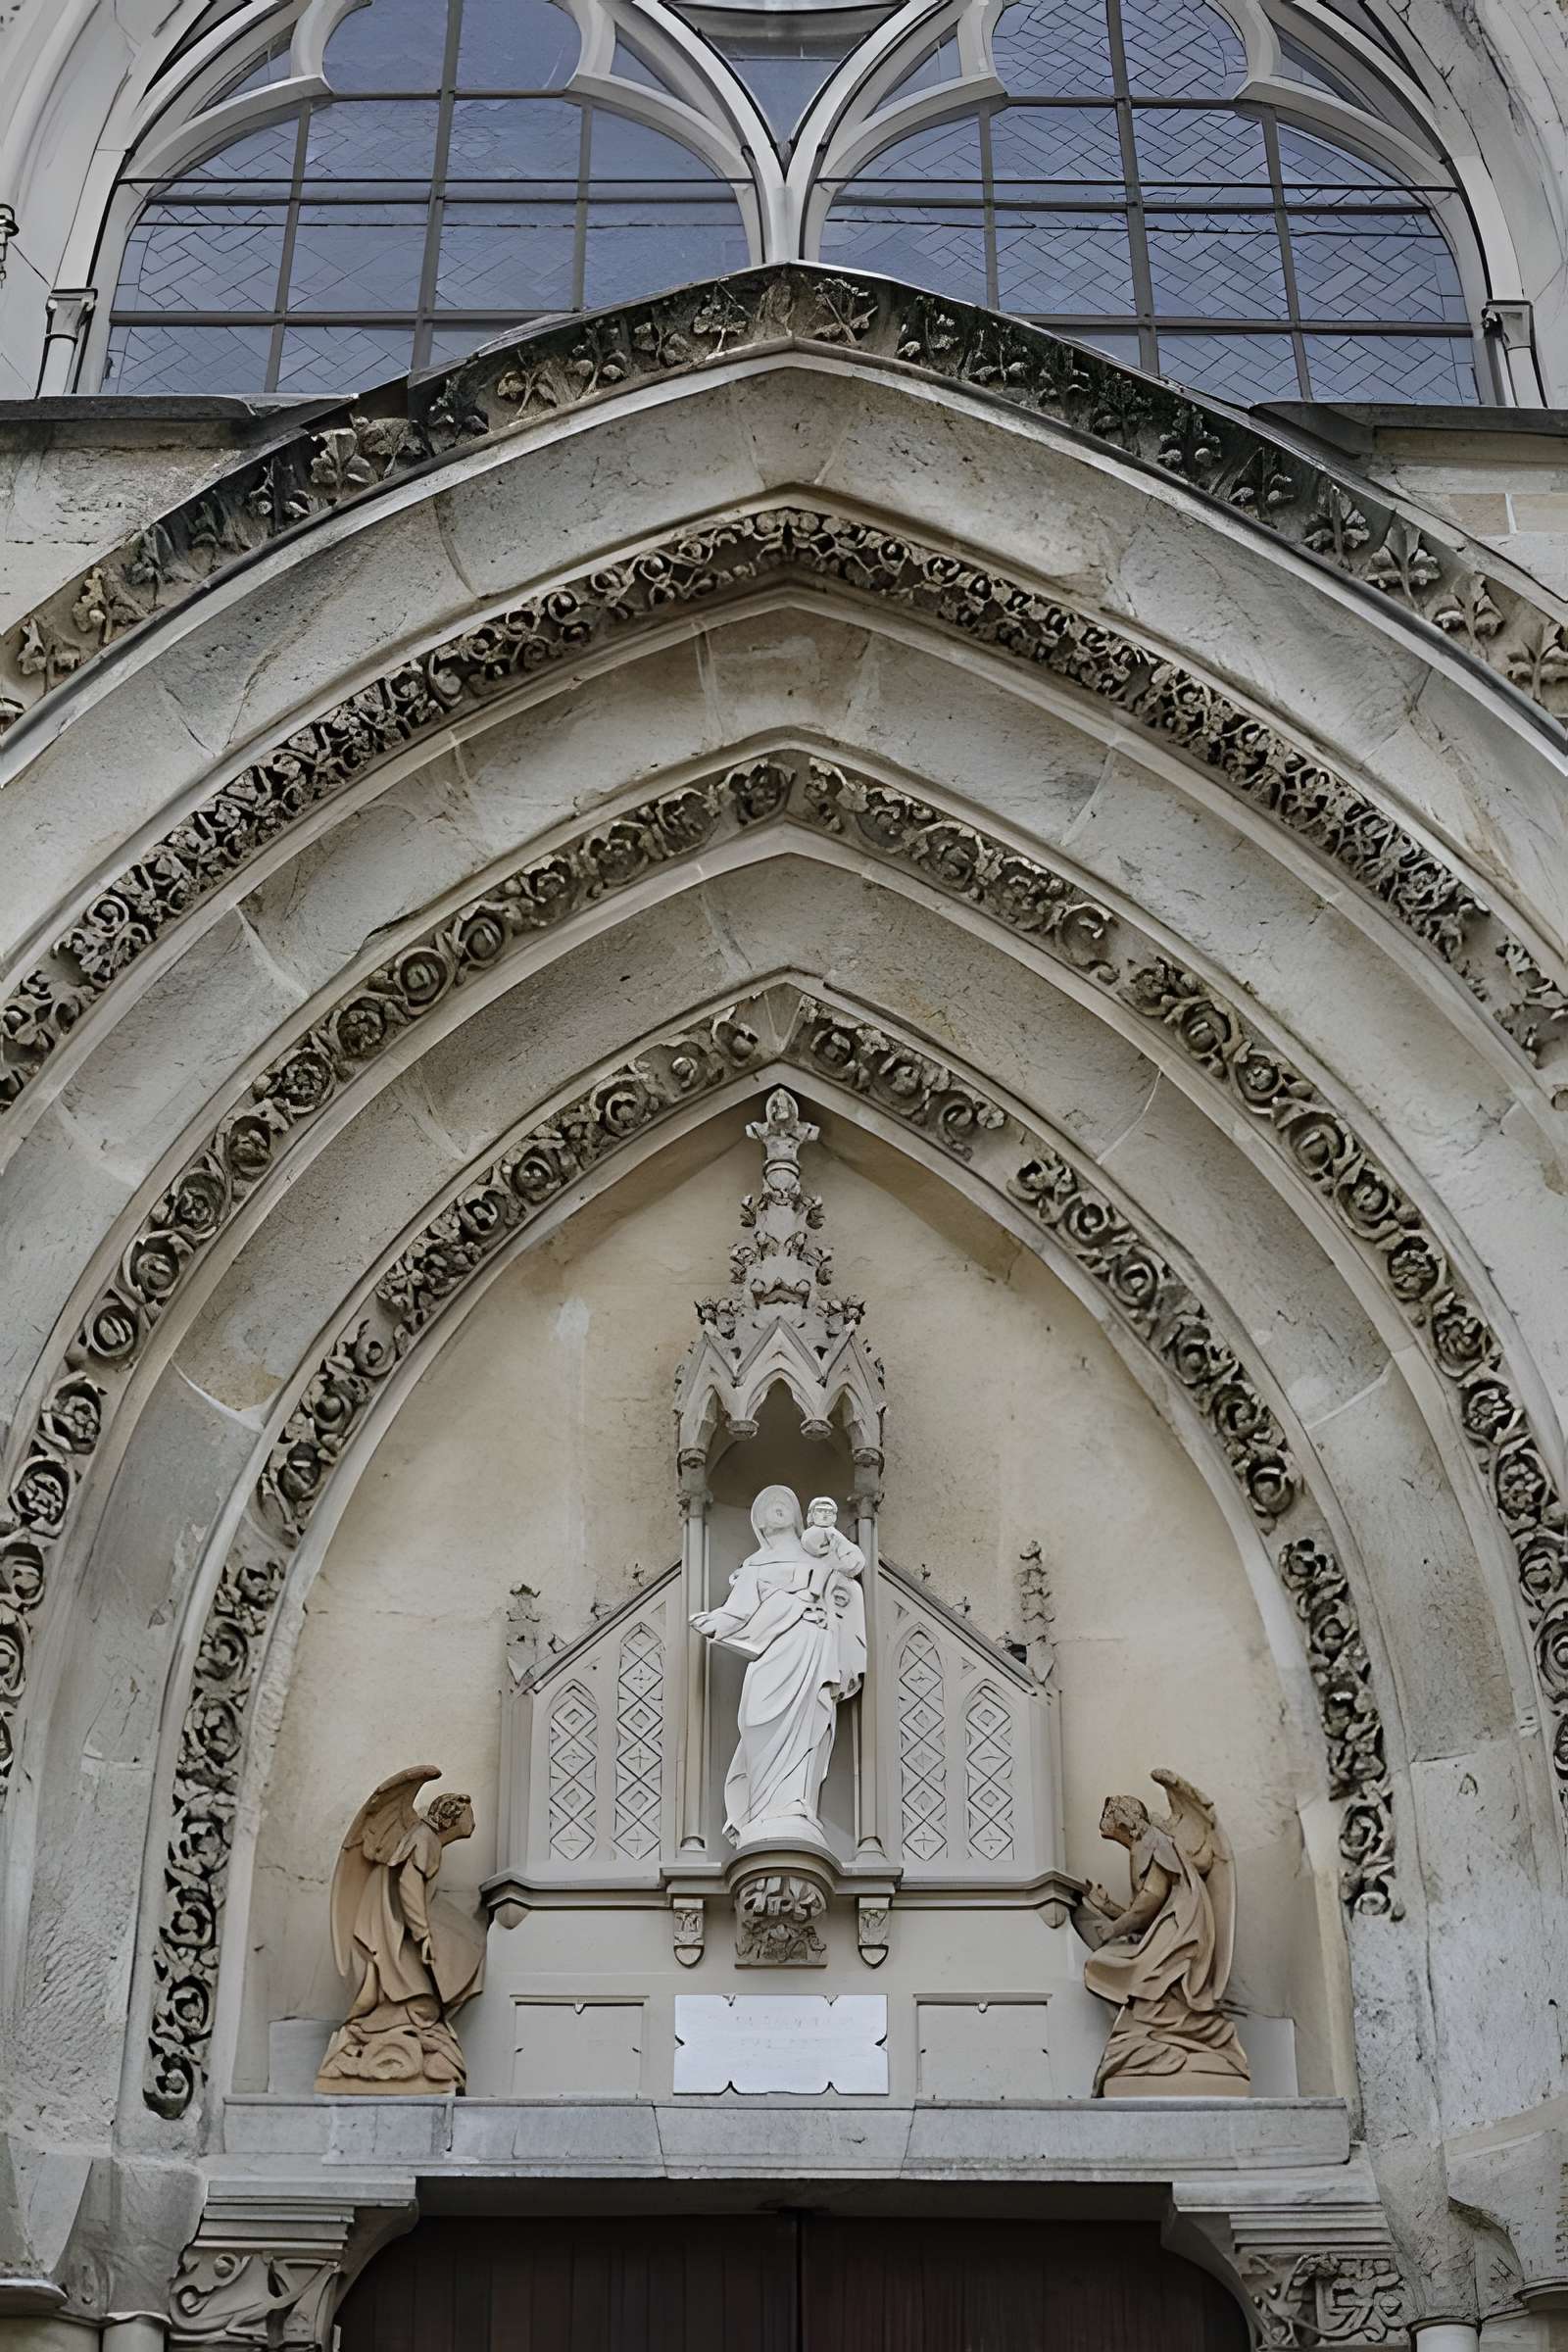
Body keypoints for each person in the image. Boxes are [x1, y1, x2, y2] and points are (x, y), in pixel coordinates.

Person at [692, 1484, 865, 1842]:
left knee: (807, 1721)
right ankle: (762, 1811)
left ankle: (796, 1805)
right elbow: (737, 1612)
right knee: (757, 1720)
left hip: (810, 1643)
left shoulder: (818, 1553)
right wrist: (713, 1622)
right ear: (760, 1523)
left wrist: (832, 1537)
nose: (778, 1506)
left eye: (785, 1502)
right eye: (769, 1504)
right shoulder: (754, 1566)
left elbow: (852, 1568)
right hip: (771, 1653)